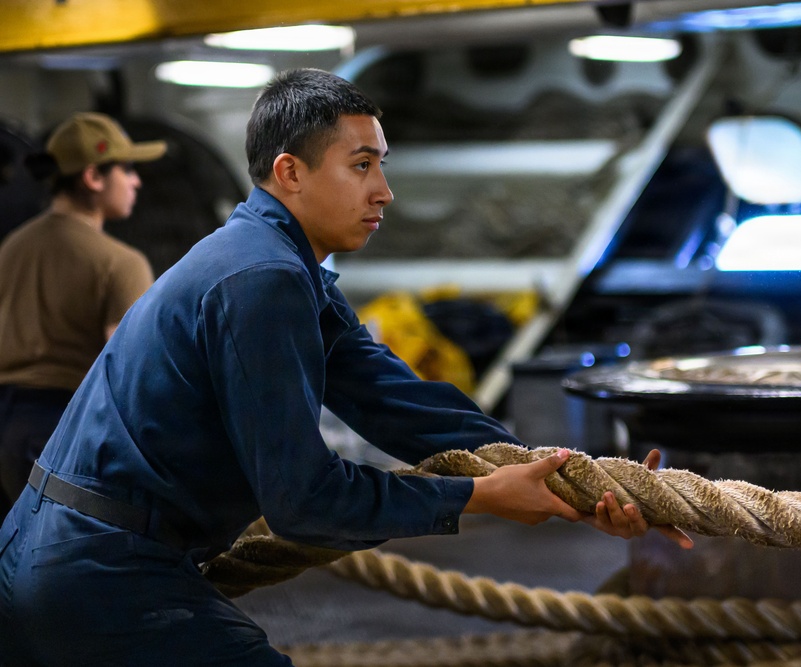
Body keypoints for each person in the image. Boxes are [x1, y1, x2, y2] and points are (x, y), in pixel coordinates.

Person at [0, 69, 692, 666]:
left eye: (381, 163)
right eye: (361, 165)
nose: (384, 189)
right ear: (290, 172)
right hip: (100, 569)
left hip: (51, 552)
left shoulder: (277, 264)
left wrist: (581, 482)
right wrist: (477, 497)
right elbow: (303, 500)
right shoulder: (262, 279)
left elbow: (398, 400)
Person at [0, 112, 165, 519]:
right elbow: (132, 376)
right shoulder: (120, 263)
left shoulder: (11, 248)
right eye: (126, 169)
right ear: (93, 177)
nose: (136, 181)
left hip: (6, 425)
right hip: (66, 433)